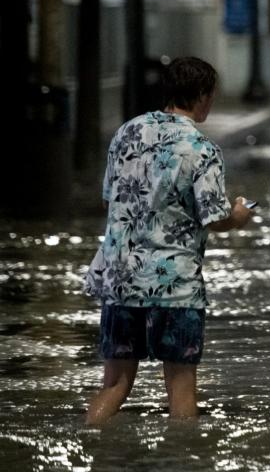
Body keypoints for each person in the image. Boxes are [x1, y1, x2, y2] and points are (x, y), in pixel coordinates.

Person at [83, 57, 253, 425]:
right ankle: (181, 459)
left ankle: (90, 443)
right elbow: (216, 217)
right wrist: (238, 216)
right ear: (204, 97)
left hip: (120, 280)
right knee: (181, 389)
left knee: (113, 385)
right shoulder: (201, 148)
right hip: (174, 288)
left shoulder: (125, 132)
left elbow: (110, 199)